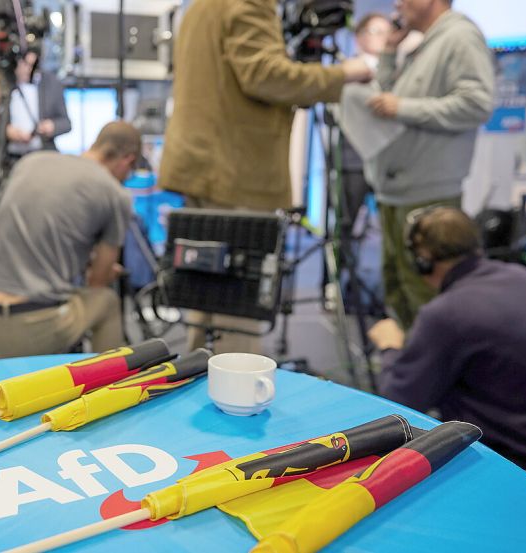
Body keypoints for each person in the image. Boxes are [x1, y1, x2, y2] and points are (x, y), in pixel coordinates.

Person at [369, 207, 526, 543]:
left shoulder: (445, 315)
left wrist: (391, 348)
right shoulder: (522, 278)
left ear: (424, 261)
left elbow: (396, 402)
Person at [158, 0, 373, 353]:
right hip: (234, 169)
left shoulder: (200, 6)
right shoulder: (248, 3)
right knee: (238, 305)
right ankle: (238, 397)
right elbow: (267, 76)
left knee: (205, 298)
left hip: (202, 162)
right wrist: (346, 72)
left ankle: (199, 384)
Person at [0, 122, 137, 363]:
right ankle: (112, 389)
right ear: (127, 160)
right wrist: (101, 269)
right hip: (34, 328)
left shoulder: (31, 162)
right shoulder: (115, 194)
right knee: (106, 301)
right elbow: (97, 281)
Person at [365, 0, 494, 330]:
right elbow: (385, 105)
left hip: (427, 196)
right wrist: (389, 54)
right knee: (399, 290)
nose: (397, 4)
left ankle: (432, 375)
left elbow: (476, 104)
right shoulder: (423, 45)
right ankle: (408, 371)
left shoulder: (460, 37)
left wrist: (404, 107)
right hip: (398, 192)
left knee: (426, 296)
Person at [339, 13, 394, 243]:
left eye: (385, 32)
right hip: (353, 160)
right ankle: (337, 275)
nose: (382, 38)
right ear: (359, 37)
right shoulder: (346, 69)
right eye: (375, 31)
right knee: (345, 224)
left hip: (387, 160)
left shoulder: (397, 70)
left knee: (391, 226)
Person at [5, 49, 71, 157]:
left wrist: (52, 126)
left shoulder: (52, 84)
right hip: (9, 157)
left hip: (41, 155)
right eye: (25, 64)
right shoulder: (3, 84)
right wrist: (6, 131)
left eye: (33, 65)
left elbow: (66, 123)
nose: (29, 70)